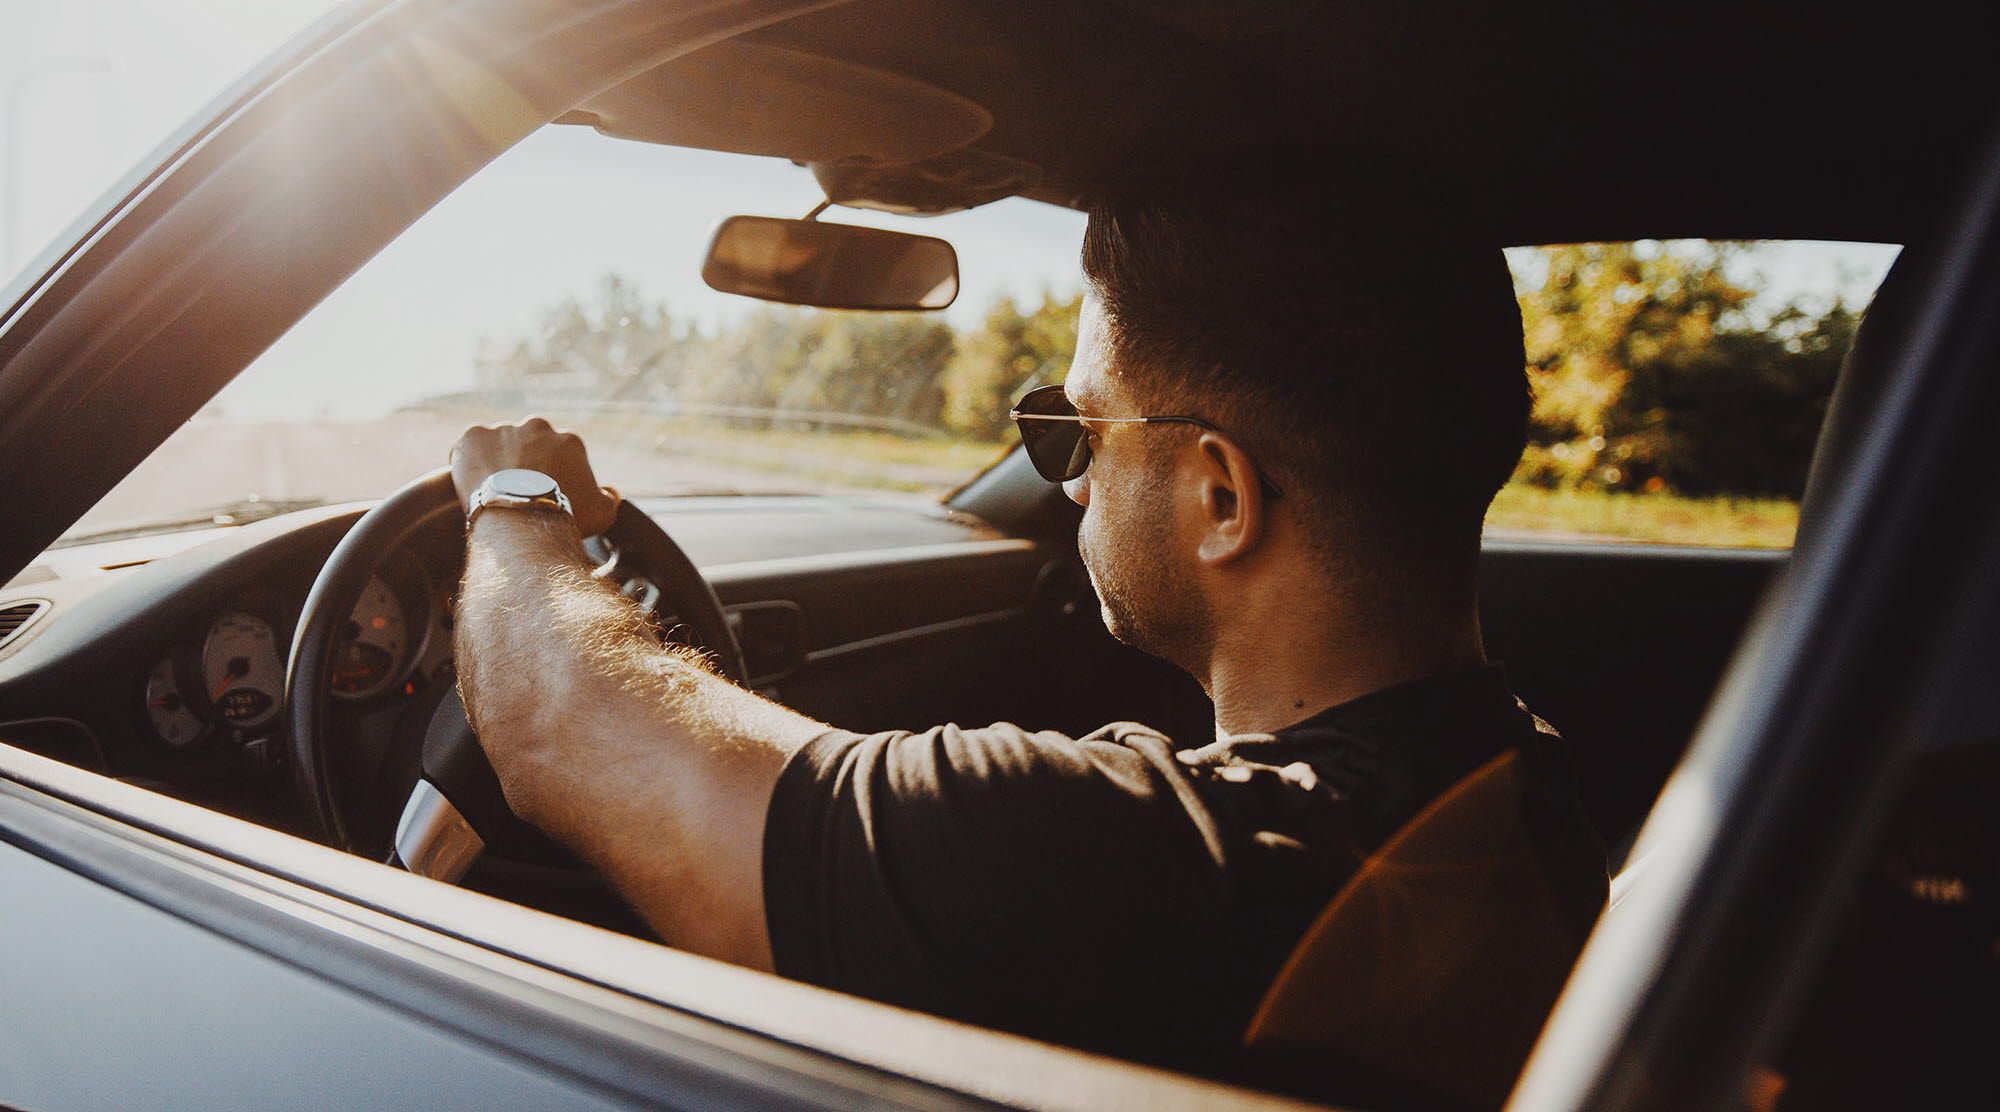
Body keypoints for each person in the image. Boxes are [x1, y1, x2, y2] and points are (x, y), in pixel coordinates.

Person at [446, 154, 1607, 1083]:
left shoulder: (1133, 864)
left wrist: (515, 504)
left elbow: (554, 721)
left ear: (1218, 496)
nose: (1067, 481)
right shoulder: (1525, 785)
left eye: (1081, 430)